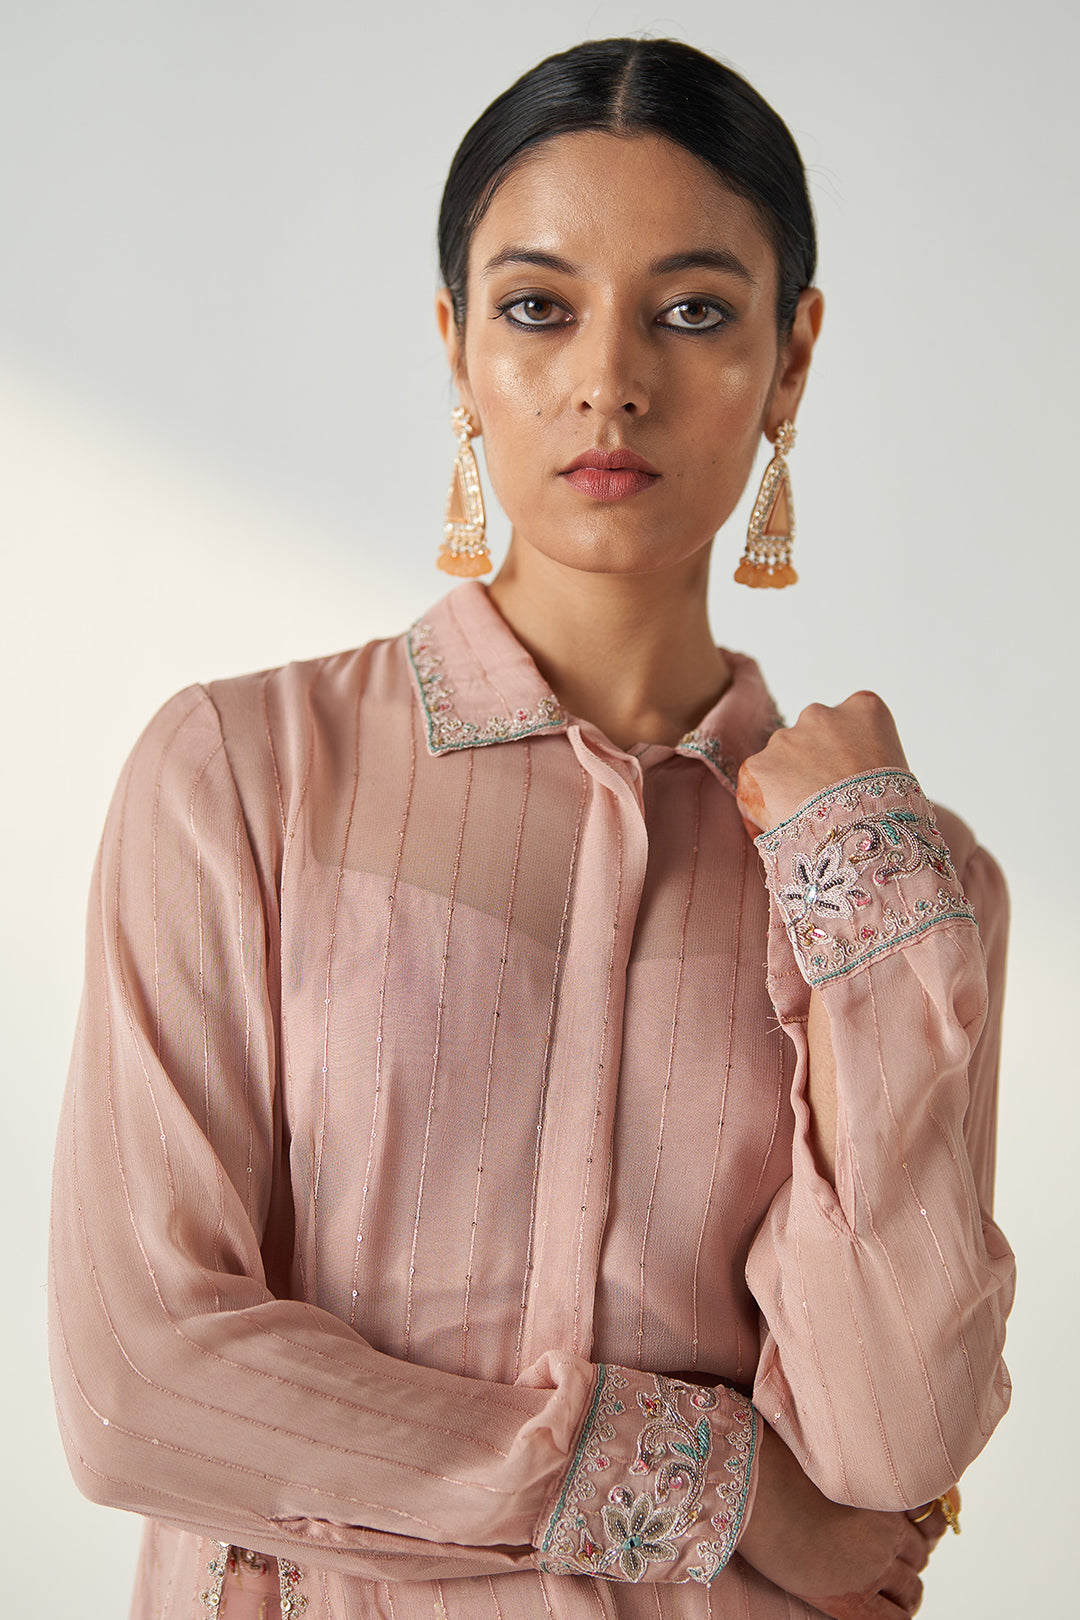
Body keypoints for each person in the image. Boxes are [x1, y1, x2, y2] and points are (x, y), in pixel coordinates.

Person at [48, 36, 1014, 1620]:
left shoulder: (906, 882)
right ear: (455, 346)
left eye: (692, 312)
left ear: (792, 359)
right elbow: (141, 1388)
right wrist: (713, 1484)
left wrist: (858, 890)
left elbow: (891, 1440)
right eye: (539, 308)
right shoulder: (243, 778)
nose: (608, 379)